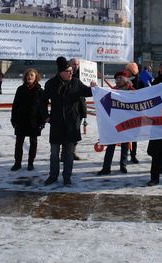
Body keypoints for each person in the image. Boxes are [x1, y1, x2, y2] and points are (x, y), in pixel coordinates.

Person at [40, 57, 95, 186]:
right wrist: (45, 116)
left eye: (71, 70)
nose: (71, 73)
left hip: (72, 124)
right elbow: (42, 101)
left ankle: (67, 177)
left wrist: (93, 87)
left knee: (69, 153)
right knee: (54, 153)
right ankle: (53, 176)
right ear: (61, 72)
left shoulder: (76, 82)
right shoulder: (51, 84)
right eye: (68, 71)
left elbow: (88, 92)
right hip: (57, 123)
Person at [97, 71, 134, 175]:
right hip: (114, 122)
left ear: (126, 79)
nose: (118, 80)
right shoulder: (112, 91)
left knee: (125, 145)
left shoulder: (132, 90)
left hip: (127, 121)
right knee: (111, 145)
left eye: (121, 78)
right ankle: (106, 167)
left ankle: (123, 165)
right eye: (117, 78)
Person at [11, 68, 44, 171]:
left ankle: (30, 163)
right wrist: (13, 119)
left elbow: (43, 107)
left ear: (36, 77)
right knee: (19, 143)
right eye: (28, 75)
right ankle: (17, 163)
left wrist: (42, 121)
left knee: (33, 142)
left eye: (32, 75)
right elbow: (15, 105)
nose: (29, 77)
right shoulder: (20, 89)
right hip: (21, 120)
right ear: (25, 77)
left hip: (34, 121)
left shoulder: (40, 90)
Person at [125, 62, 144, 164]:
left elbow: (143, 94)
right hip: (125, 112)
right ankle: (124, 157)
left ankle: (133, 155)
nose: (125, 71)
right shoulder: (124, 81)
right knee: (125, 135)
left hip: (136, 112)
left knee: (134, 136)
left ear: (132, 71)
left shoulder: (139, 82)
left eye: (127, 69)